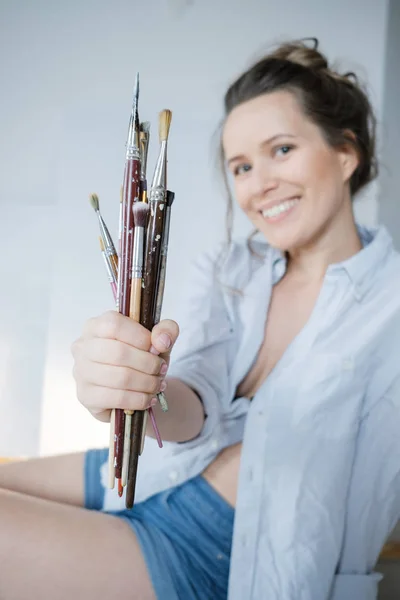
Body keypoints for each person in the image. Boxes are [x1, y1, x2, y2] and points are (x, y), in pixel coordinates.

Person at [1, 37, 400, 600]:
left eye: (281, 149)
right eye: (240, 166)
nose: (258, 184)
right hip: (155, 473)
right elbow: (191, 406)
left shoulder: (391, 307)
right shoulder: (231, 267)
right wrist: (147, 381)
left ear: (346, 153)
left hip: (217, 550)